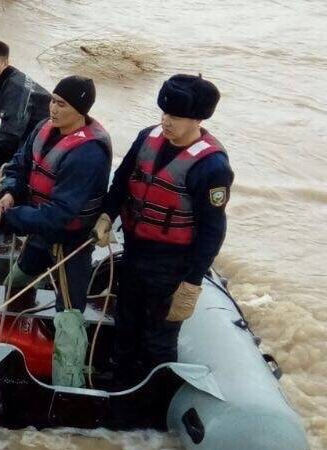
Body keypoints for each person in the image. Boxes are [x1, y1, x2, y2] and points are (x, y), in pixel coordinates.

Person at [95, 74, 232, 388]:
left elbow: (213, 229)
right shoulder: (147, 138)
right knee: (125, 321)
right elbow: (121, 182)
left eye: (175, 117)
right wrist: (106, 215)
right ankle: (120, 381)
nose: (166, 121)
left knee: (160, 336)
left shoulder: (212, 167)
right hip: (135, 250)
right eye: (164, 113)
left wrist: (192, 282)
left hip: (171, 263)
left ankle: (154, 395)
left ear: (197, 118)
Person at [0, 75, 113, 387]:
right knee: (17, 280)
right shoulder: (43, 129)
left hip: (68, 240)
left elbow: (61, 214)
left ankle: (69, 383)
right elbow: (20, 165)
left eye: (61, 104)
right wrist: (10, 192)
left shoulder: (88, 154)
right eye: (53, 100)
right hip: (39, 229)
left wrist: (7, 219)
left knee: (69, 314)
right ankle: (8, 341)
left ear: (80, 110)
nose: (53, 108)